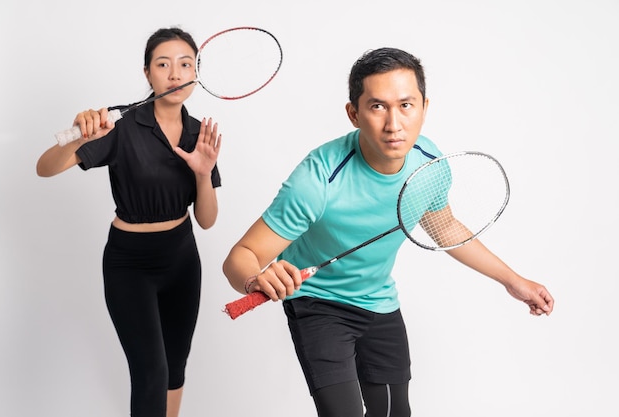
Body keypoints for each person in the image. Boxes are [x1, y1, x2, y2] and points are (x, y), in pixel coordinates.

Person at [222, 47, 554, 417]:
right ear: (354, 113)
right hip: (319, 304)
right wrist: (256, 279)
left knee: (395, 414)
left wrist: (513, 281)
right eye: (378, 106)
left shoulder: (430, 163)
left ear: (424, 108)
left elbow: (444, 227)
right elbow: (240, 257)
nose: (394, 123)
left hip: (379, 302)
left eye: (406, 105)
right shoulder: (318, 179)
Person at [36, 27, 222, 417]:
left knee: (174, 367)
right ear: (147, 74)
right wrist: (76, 137)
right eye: (163, 64)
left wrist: (203, 173)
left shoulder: (197, 133)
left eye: (185, 64)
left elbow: (206, 221)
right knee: (150, 373)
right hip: (129, 263)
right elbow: (44, 169)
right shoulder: (120, 125)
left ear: (196, 73)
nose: (175, 73)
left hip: (182, 259)